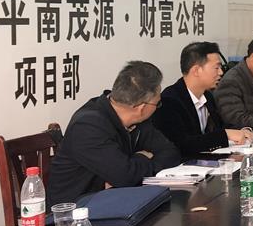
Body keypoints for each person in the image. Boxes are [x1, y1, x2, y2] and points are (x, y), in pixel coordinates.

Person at [48, 61, 181, 206]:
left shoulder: (138, 120)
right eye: (157, 104)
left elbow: (170, 152)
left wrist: (131, 166)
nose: (157, 108)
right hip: (75, 211)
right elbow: (126, 177)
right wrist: (141, 157)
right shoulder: (88, 126)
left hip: (115, 199)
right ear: (141, 107)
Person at [154, 42, 251, 158]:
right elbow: (181, 144)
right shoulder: (169, 101)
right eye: (216, 68)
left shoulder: (207, 96)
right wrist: (225, 135)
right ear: (196, 70)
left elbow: (219, 127)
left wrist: (241, 131)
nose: (221, 72)